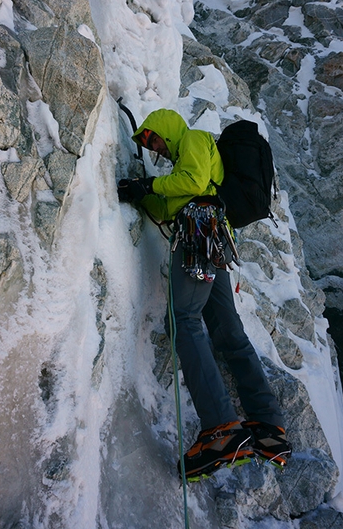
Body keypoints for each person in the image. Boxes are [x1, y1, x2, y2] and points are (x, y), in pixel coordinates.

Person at [118, 108, 291, 480]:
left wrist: (148, 185)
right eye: (148, 144)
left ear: (166, 128)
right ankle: (268, 426)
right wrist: (139, 196)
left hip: (199, 230)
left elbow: (193, 182)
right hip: (214, 237)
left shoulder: (195, 139)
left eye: (153, 137)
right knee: (229, 333)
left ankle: (221, 430)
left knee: (182, 320)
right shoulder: (182, 167)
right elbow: (167, 207)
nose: (154, 147)